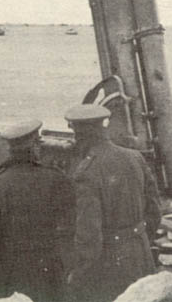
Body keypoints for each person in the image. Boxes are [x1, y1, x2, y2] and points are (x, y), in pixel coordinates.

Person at [0, 119, 74, 301]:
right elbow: (70, 232)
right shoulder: (57, 179)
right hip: (49, 274)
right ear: (35, 147)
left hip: (7, 274)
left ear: (10, 149)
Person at [65, 104, 161, 302]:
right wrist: (139, 239)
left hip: (110, 264)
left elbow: (89, 234)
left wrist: (78, 273)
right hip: (140, 253)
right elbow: (154, 211)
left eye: (76, 134)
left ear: (82, 135)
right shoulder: (135, 157)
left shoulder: (86, 172)